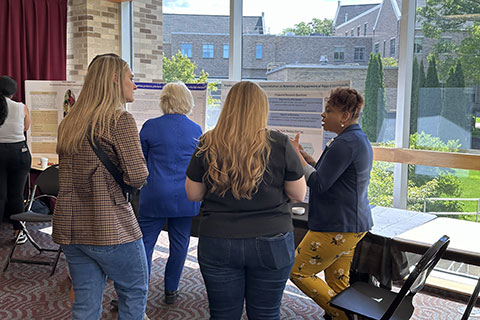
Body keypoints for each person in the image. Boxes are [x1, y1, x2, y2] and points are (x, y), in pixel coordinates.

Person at [185, 81, 307, 320]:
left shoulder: (208, 142)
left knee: (223, 314)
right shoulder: (280, 144)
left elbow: (193, 194)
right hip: (272, 240)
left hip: (218, 239)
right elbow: (298, 195)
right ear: (262, 109)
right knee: (266, 313)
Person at [53, 53, 149, 320]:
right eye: (131, 78)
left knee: (85, 302)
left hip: (72, 227)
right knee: (134, 291)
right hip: (111, 227)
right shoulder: (120, 121)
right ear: (116, 80)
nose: (135, 85)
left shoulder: (69, 123)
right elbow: (138, 177)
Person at [289, 87, 373, 320]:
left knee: (298, 271)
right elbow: (332, 175)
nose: (323, 115)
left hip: (336, 225)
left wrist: (296, 158)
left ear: (345, 115)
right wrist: (306, 158)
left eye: (329, 110)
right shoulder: (355, 139)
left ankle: (344, 315)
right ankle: (347, 314)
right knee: (337, 280)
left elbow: (319, 183)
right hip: (353, 225)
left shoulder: (344, 144)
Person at [138, 81, 202, 305]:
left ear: (164, 101)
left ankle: (140, 292)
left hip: (154, 194)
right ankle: (171, 290)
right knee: (180, 244)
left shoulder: (150, 126)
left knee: (145, 244)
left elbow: (140, 162)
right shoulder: (196, 130)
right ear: (187, 101)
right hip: (185, 196)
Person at [0, 75, 31, 244]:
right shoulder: (21, 107)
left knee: (0, 195)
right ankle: (18, 232)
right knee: (16, 195)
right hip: (19, 151)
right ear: (13, 92)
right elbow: (26, 127)